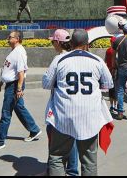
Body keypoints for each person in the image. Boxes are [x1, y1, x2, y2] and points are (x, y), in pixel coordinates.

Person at [43, 29, 114, 176]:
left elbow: (46, 84)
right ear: (87, 44)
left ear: (71, 43)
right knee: (89, 161)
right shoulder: (97, 61)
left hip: (63, 116)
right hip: (90, 117)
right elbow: (108, 84)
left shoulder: (60, 60)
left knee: (57, 157)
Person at [0, 30, 41, 151]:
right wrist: (1, 82)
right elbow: (8, 69)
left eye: (10, 37)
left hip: (14, 86)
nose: (7, 38)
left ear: (17, 39)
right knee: (19, 108)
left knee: (6, 113)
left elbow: (21, 73)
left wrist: (19, 89)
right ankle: (34, 130)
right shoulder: (14, 51)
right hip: (10, 84)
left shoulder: (20, 52)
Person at [46, 29, 78, 177]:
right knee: (73, 138)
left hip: (60, 106)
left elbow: (47, 83)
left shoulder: (58, 59)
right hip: (77, 105)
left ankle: (57, 170)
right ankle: (72, 171)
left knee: (56, 146)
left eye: (53, 41)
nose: (52, 44)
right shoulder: (78, 57)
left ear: (58, 42)